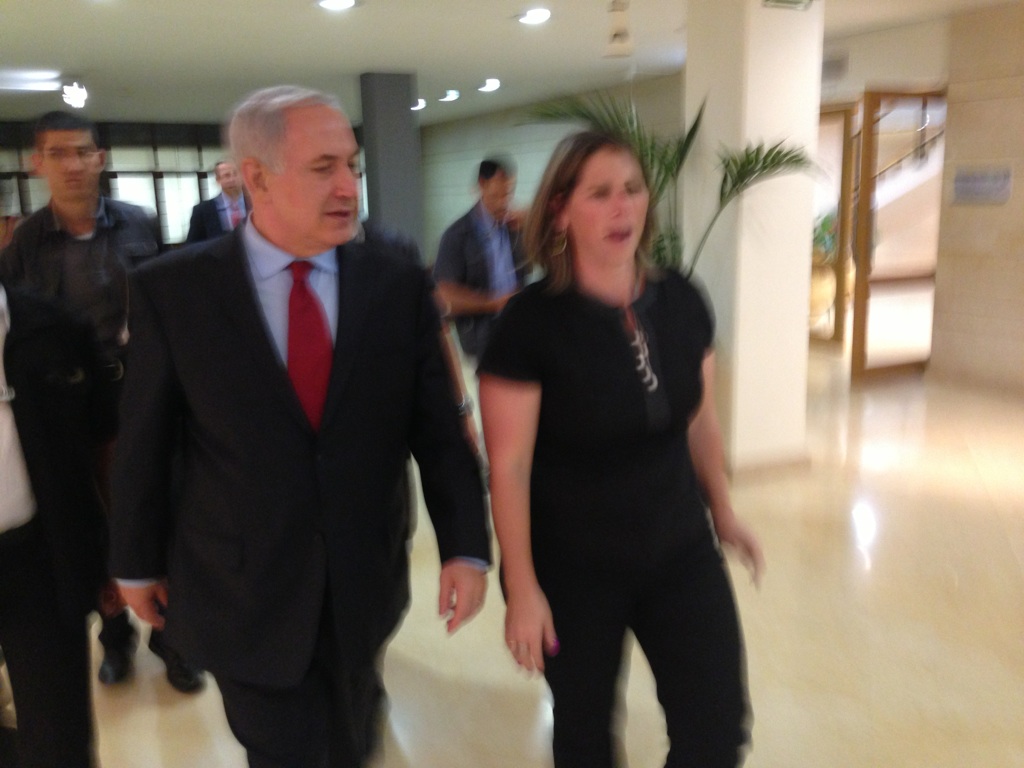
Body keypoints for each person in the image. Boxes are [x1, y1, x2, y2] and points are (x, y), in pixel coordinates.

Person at [109, 85, 491, 767]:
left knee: (351, 732)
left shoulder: (396, 284)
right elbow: (146, 439)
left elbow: (438, 431)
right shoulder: (175, 290)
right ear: (256, 177)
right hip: (240, 586)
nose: (348, 186)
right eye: (324, 168)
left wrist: (465, 546)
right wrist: (135, 561)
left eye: (352, 165)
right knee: (285, 749)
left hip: (363, 577)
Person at [478, 131, 765, 768]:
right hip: (574, 567)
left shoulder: (682, 299)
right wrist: (522, 587)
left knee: (718, 729)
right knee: (584, 739)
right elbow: (510, 467)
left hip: (679, 548)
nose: (621, 208)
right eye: (600, 193)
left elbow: (699, 421)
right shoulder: (530, 324)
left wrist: (723, 511)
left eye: (632, 189)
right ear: (560, 212)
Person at [0, 110, 204, 694]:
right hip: (66, 405)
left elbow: (166, 305)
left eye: (82, 152)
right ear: (36, 164)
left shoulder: (138, 223)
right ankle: (115, 638)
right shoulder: (24, 245)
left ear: (100, 158)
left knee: (161, 509)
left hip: (141, 390)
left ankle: (174, 637)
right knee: (93, 517)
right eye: (57, 153)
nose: (72, 164)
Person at [0, 279, 118, 767]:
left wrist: (122, 554)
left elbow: (105, 443)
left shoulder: (55, 329)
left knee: (58, 739)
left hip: (40, 560)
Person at [433, 157, 529, 359]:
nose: (504, 202)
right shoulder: (457, 235)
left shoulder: (515, 227)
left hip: (519, 331)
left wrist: (530, 223)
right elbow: (445, 295)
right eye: (497, 195)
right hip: (481, 340)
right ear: (482, 185)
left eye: (508, 193)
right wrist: (495, 303)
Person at [185, 159, 248, 243]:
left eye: (236, 174)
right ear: (218, 180)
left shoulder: (256, 204)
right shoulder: (203, 210)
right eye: (227, 175)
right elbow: (192, 245)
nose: (232, 179)